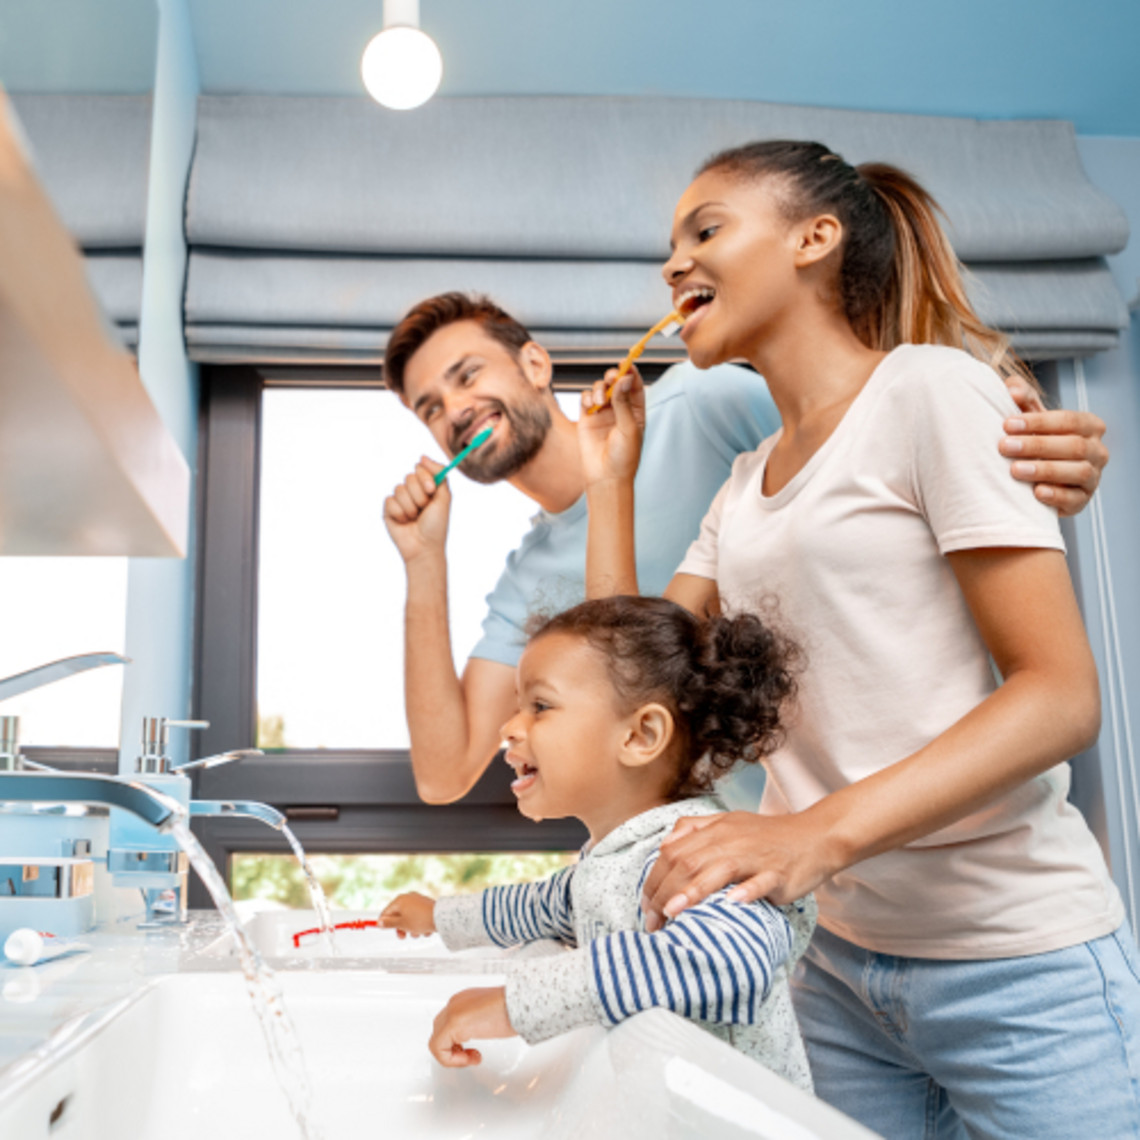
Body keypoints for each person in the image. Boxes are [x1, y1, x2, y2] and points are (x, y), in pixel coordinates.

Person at [578, 140, 1140, 1140]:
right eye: (671, 244)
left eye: (706, 230)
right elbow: (631, 693)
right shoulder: (743, 486)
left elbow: (1060, 698)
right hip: (835, 969)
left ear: (815, 239)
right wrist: (610, 482)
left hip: (1017, 960)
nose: (673, 264)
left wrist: (811, 835)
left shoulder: (930, 391)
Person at [381, 293, 1110, 807]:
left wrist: (1002, 435)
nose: (455, 411)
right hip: (770, 855)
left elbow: (879, 436)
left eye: (467, 375)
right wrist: (423, 561)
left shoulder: (702, 403)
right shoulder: (527, 580)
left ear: (535, 364)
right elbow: (444, 775)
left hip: (931, 804)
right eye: (430, 408)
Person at [379, 594, 817, 1087]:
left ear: (639, 736)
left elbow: (725, 960)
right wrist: (437, 917)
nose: (510, 727)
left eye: (540, 706)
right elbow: (533, 907)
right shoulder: (614, 858)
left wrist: (514, 1005)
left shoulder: (697, 856)